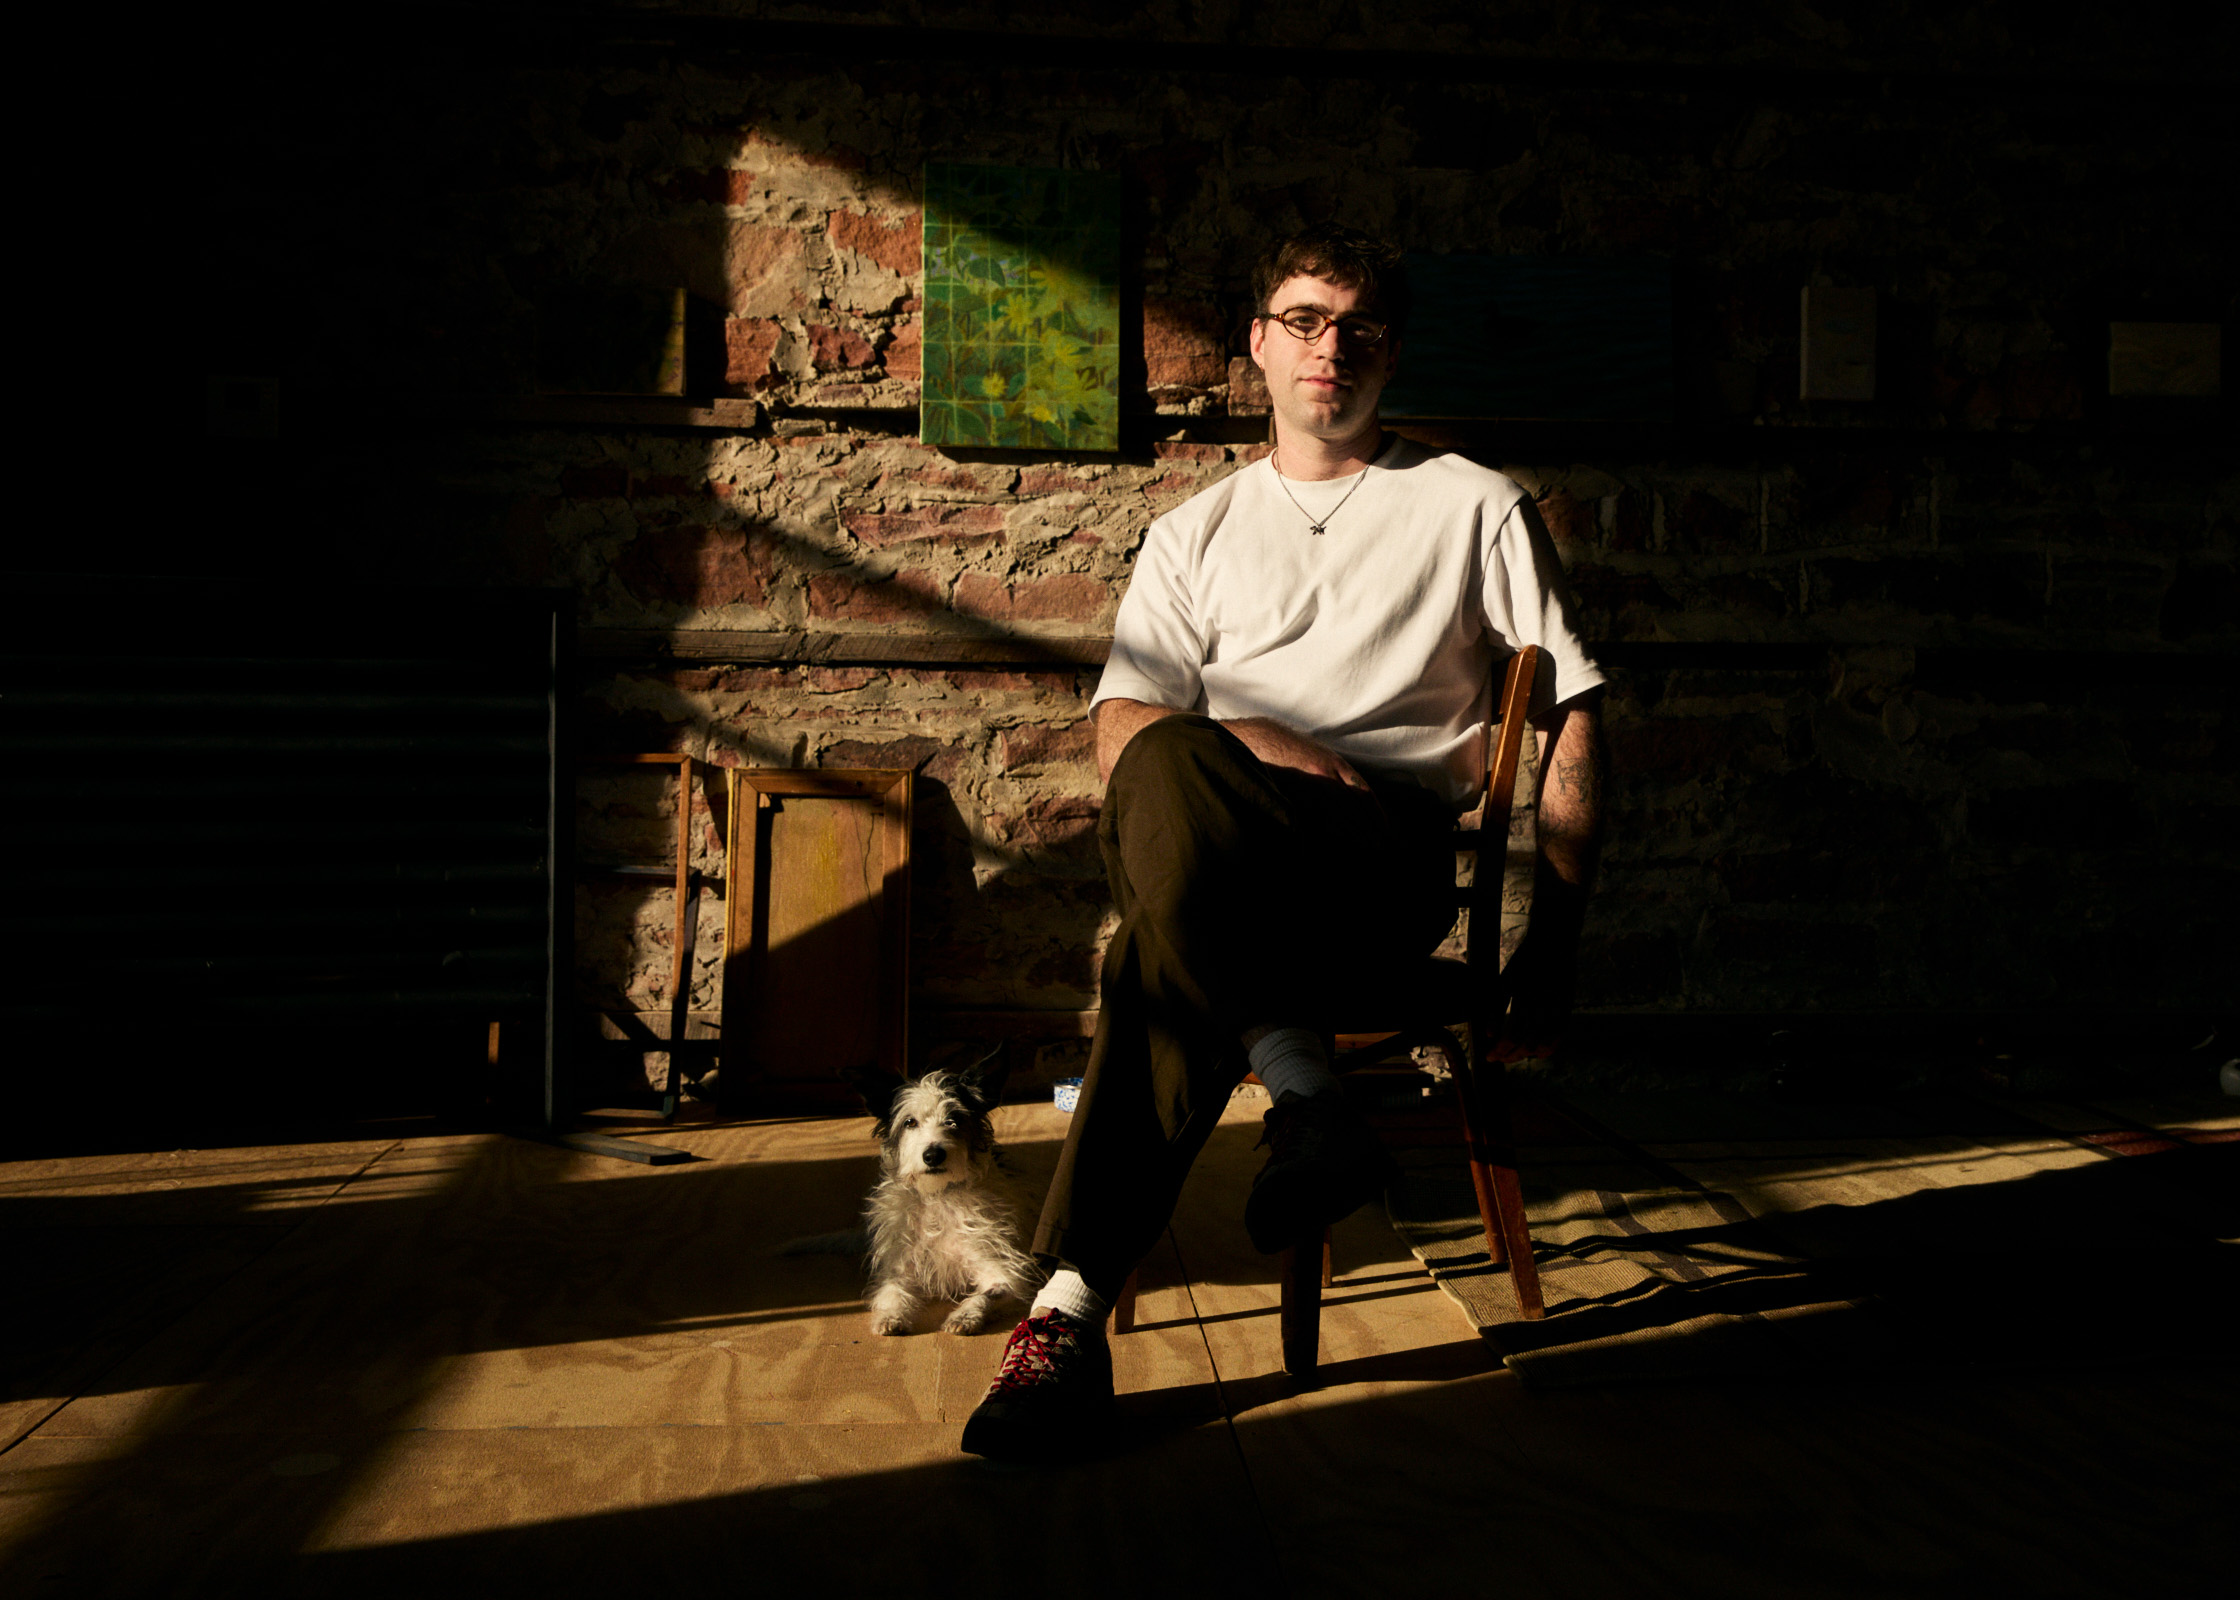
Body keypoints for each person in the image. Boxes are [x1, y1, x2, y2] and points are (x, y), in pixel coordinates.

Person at [960, 224, 1607, 1459]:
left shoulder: (1472, 503)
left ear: (1391, 352)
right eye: (1304, 320)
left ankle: (1069, 1311)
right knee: (1164, 776)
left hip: (1382, 860)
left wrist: (1556, 940)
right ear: (1256, 342)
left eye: (1359, 326)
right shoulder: (1193, 533)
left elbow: (1574, 714)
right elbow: (1120, 732)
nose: (1330, 347)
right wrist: (1249, 738)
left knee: (1162, 912)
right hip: (1226, 862)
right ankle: (1287, 1113)